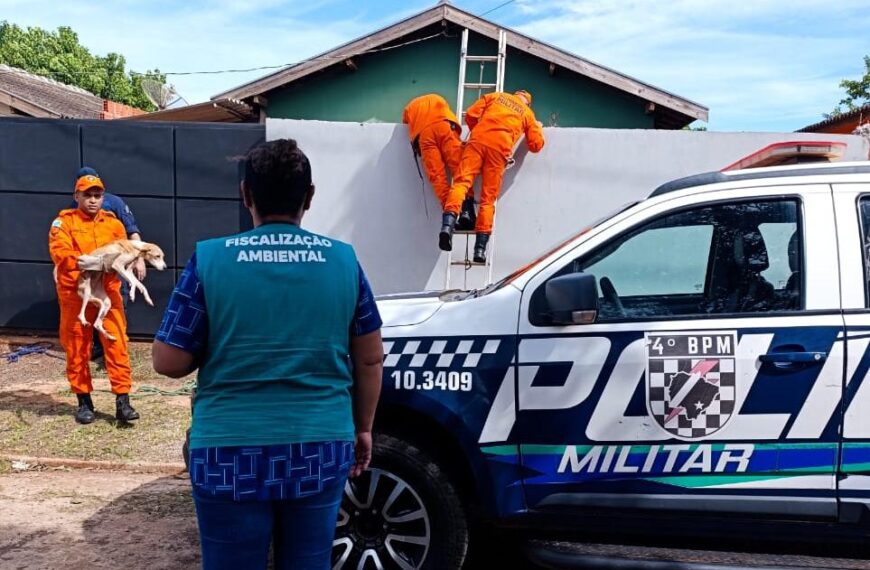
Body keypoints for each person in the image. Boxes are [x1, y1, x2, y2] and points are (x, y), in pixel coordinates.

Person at [152, 139, 384, 570]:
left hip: (228, 453)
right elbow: (370, 358)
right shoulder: (344, 262)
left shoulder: (209, 260)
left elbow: (169, 362)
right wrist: (364, 428)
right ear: (309, 197)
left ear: (246, 194)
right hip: (320, 446)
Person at [48, 173, 140, 424]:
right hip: (76, 294)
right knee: (77, 348)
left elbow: (124, 251)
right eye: (87, 195)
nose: (92, 200)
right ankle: (84, 402)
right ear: (76, 196)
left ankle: (123, 401)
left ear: (103, 197)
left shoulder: (114, 224)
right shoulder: (63, 223)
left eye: (97, 195)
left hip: (108, 293)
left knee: (117, 344)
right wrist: (93, 262)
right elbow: (61, 254)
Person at [439, 89, 545, 262]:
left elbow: (471, 114)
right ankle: (479, 250)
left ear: (514, 95)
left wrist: (479, 132)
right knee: (488, 200)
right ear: (528, 103)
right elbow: (535, 145)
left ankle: (447, 225)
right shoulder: (528, 114)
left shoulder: (496, 96)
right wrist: (538, 128)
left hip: (477, 143)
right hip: (499, 151)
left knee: (461, 183)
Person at [62, 166, 146, 365]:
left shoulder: (114, 203)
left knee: (117, 305)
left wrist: (139, 259)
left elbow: (132, 231)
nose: (92, 199)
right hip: (91, 269)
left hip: (114, 267)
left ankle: (116, 351)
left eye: (96, 193)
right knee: (92, 305)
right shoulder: (73, 210)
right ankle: (98, 346)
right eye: (86, 191)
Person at [402, 93, 476, 229]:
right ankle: (467, 210)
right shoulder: (438, 98)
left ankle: (449, 217)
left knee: (437, 177)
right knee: (459, 168)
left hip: (424, 134)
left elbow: (406, 122)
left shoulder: (410, 107)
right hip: (444, 126)